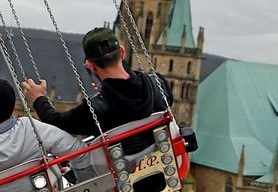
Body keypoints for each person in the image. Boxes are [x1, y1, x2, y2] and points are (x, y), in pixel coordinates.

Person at [22, 27, 172, 154]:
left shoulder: (95, 110)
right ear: (122, 53)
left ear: (91, 66)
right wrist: (110, 89)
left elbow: (55, 121)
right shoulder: (158, 84)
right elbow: (131, 94)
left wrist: (38, 98)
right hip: (162, 163)